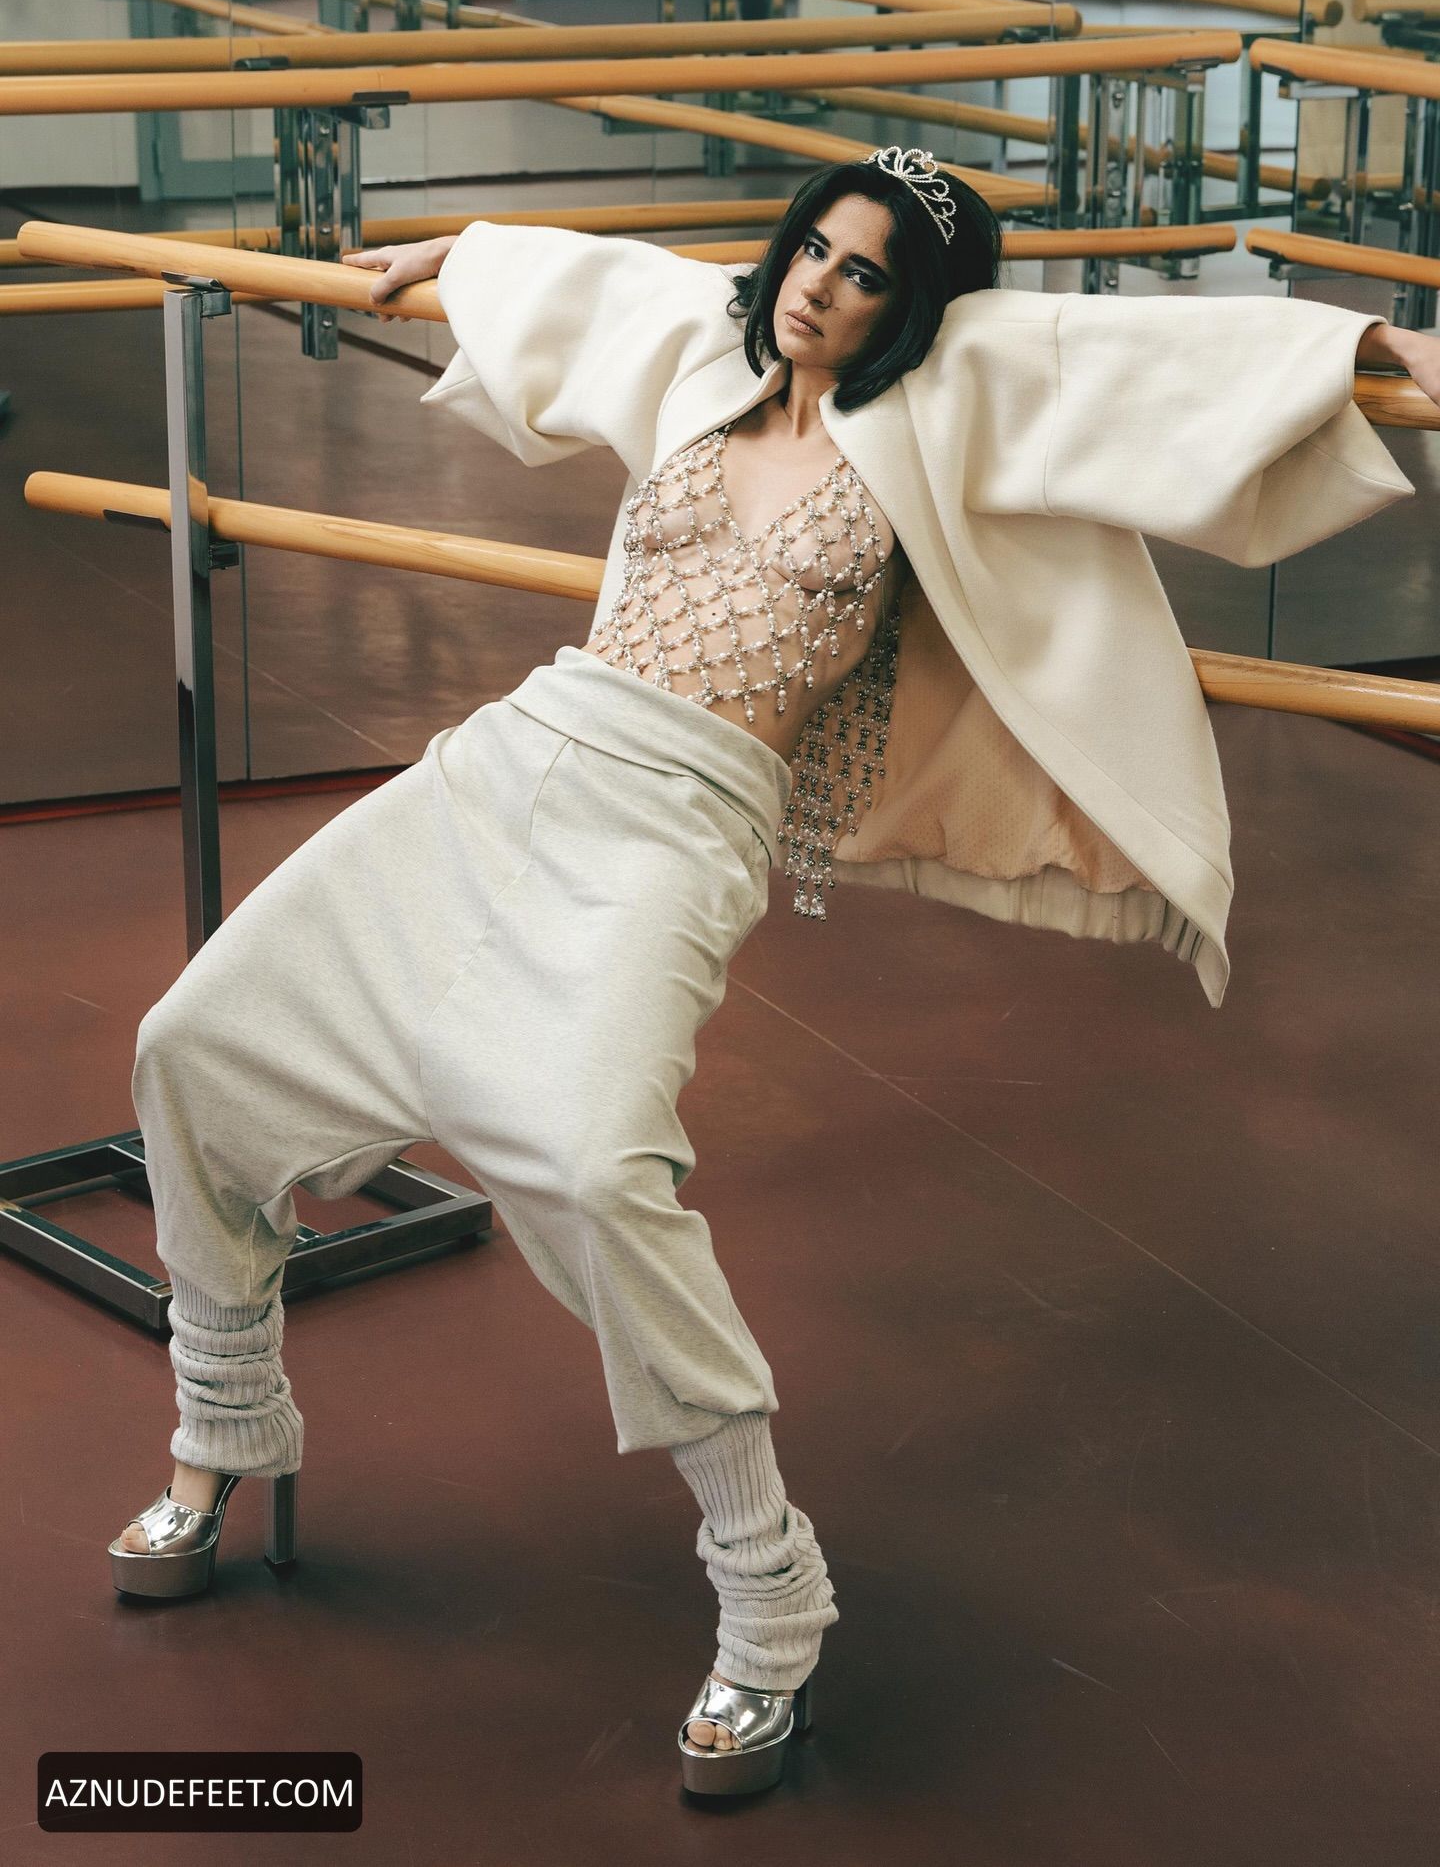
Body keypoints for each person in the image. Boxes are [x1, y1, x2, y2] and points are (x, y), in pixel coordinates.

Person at [108, 147, 1435, 1799]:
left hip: (680, 824)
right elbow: (594, 287)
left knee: (595, 1165)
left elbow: (1126, 361)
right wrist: (470, 251)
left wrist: (1364, 347)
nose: (820, 284)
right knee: (192, 1040)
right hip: (518, 754)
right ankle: (220, 1427)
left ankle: (768, 1586)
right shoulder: (711, 349)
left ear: (913, 309)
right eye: (813, 247)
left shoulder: (950, 397)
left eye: (866, 272)